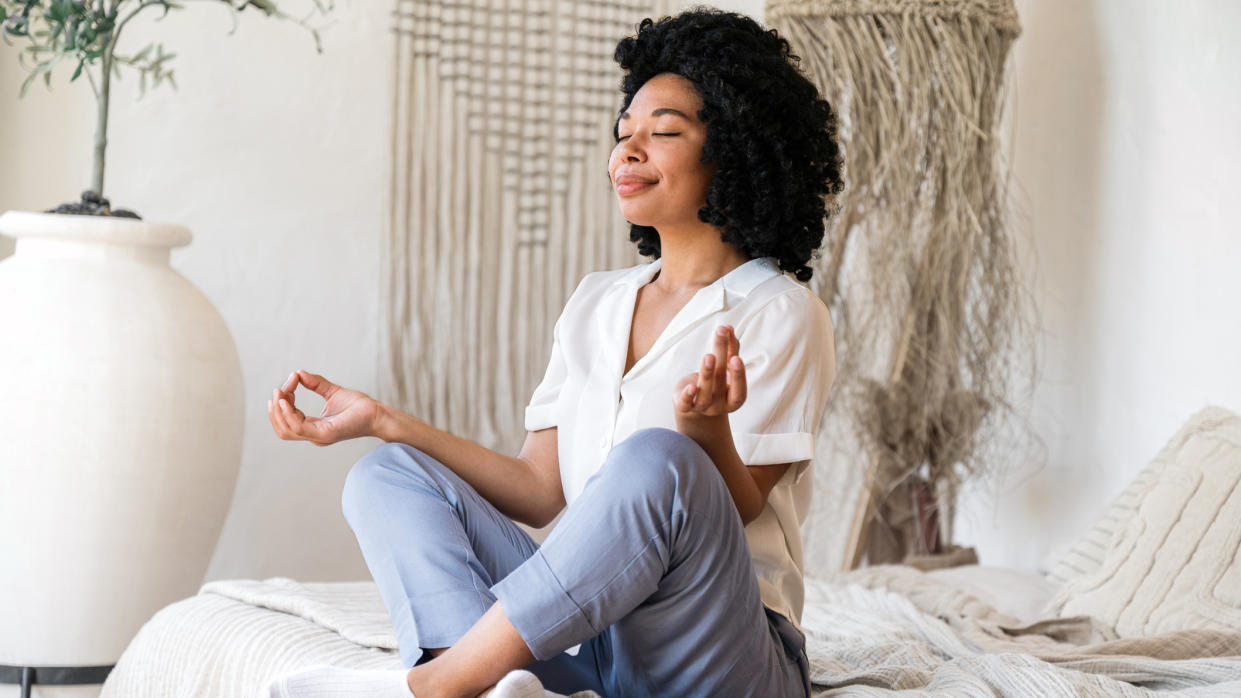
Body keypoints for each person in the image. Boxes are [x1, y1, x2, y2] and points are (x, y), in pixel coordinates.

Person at [264, 8, 842, 697]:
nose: (626, 153)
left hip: (719, 650)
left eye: (661, 134)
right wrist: (383, 421)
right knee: (388, 474)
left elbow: (738, 507)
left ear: (735, 149)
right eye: (623, 134)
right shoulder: (596, 303)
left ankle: (437, 685)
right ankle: (477, 679)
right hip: (600, 644)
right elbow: (540, 494)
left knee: (658, 459)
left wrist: (703, 431)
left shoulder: (780, 310)